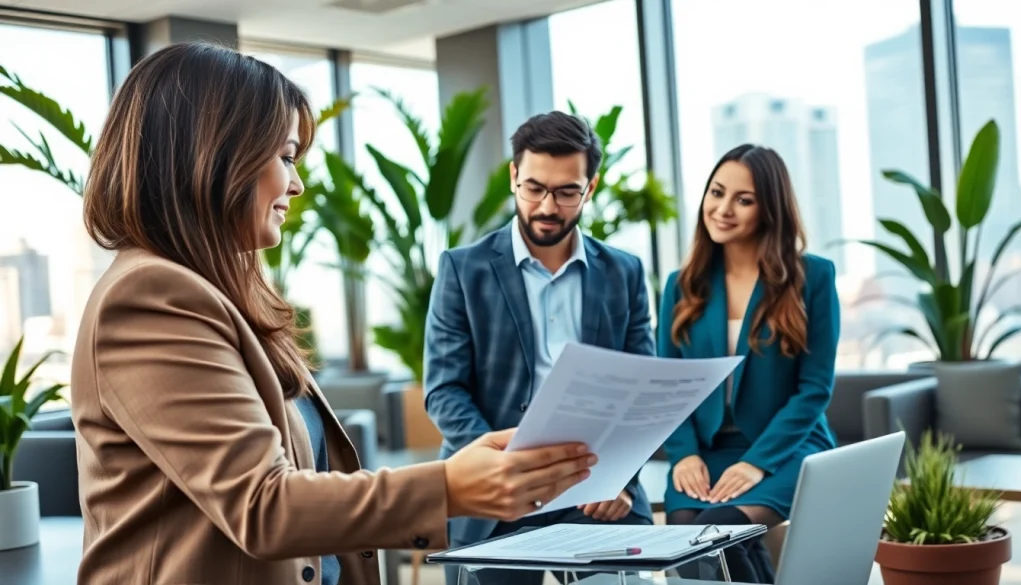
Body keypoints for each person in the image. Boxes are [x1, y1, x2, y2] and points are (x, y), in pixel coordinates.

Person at [70, 42, 598, 585]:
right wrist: (449, 487)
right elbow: (262, 503)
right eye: (285, 157)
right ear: (211, 155)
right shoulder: (150, 296)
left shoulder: (219, 291)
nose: (295, 183)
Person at [424, 111, 655, 585]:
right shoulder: (462, 269)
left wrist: (619, 477)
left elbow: (641, 391)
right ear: (514, 177)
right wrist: (506, 470)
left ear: (590, 187)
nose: (547, 206)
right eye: (534, 188)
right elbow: (444, 391)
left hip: (596, 487)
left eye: (567, 191)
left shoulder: (624, 273)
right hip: (496, 490)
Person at [658, 144, 840, 583]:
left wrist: (756, 462)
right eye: (716, 193)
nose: (723, 209)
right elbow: (670, 386)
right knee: (686, 543)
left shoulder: (812, 277)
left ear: (770, 209)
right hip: (706, 453)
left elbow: (814, 389)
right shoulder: (681, 286)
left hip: (787, 448)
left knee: (712, 534)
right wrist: (682, 456)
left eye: (744, 199)